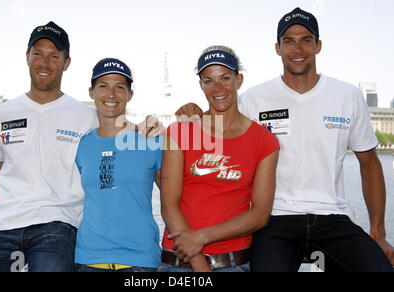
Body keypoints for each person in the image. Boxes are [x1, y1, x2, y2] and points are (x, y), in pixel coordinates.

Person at [176, 8, 394, 272]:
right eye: (289, 41)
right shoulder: (255, 98)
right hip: (275, 219)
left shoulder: (347, 95)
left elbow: (369, 163)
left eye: (306, 40)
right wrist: (192, 109)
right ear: (278, 48)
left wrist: (378, 232)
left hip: (334, 217)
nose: (297, 48)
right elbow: (220, 120)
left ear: (318, 45)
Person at [0, 22, 163, 272]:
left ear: (66, 62)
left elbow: (120, 124)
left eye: (54, 56)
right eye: (38, 53)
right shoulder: (0, 114)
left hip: (57, 226)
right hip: (1, 228)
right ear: (27, 57)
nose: (44, 63)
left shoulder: (86, 115)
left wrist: (152, 123)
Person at [159, 46, 280, 272]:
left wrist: (202, 237)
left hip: (234, 263)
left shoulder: (265, 141)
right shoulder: (180, 132)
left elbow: (260, 214)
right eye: (209, 81)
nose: (218, 88)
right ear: (201, 85)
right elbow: (168, 204)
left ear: (239, 79)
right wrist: (199, 263)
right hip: (179, 264)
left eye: (225, 78)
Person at [75, 58, 162, 272]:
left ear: (130, 94)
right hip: (88, 260)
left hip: (140, 261)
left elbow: (176, 199)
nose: (111, 94)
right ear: (91, 92)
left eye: (119, 87)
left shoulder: (152, 140)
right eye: (103, 86)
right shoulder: (81, 145)